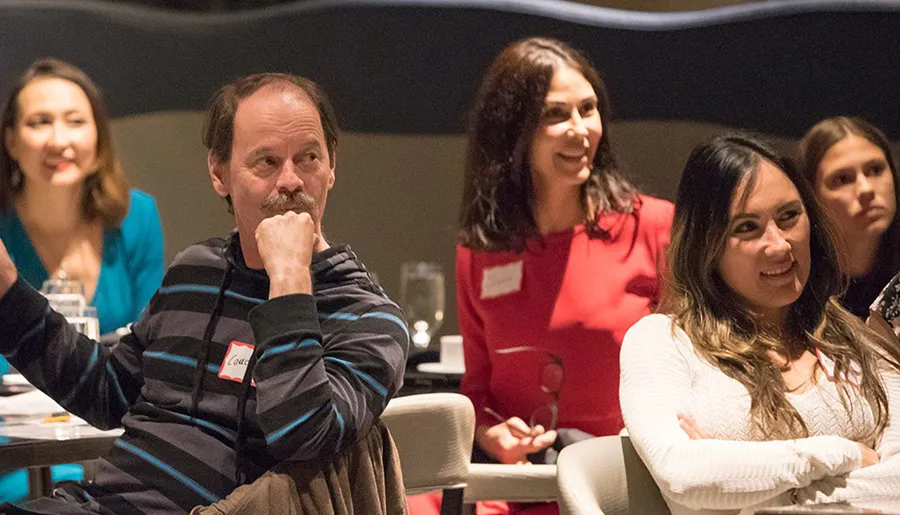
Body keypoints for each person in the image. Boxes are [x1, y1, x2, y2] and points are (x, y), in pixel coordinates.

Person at [0, 72, 409, 514]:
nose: (291, 181)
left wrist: (289, 279)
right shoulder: (199, 270)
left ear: (332, 166)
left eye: (308, 158)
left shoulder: (369, 318)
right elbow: (110, 394)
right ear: (219, 173)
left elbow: (304, 437)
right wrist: (7, 292)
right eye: (266, 163)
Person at [437, 37, 672, 515]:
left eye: (588, 109)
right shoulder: (479, 251)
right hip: (523, 489)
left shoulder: (654, 227)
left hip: (626, 488)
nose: (580, 130)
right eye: (555, 115)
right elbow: (478, 389)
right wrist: (493, 435)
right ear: (512, 133)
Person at [620, 133, 900, 515]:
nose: (780, 245)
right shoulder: (661, 342)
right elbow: (684, 476)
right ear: (707, 246)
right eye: (747, 228)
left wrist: (747, 495)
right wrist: (842, 453)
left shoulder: (857, 341)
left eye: (789, 217)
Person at [0, 57, 165, 501]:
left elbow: (153, 351)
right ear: (12, 141)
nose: (60, 140)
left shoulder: (138, 217)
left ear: (98, 136)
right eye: (40, 122)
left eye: (75, 121)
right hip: (11, 452)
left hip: (113, 440)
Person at [799, 117, 899, 318]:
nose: (866, 189)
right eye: (843, 179)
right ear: (811, 198)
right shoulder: (797, 290)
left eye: (875, 170)